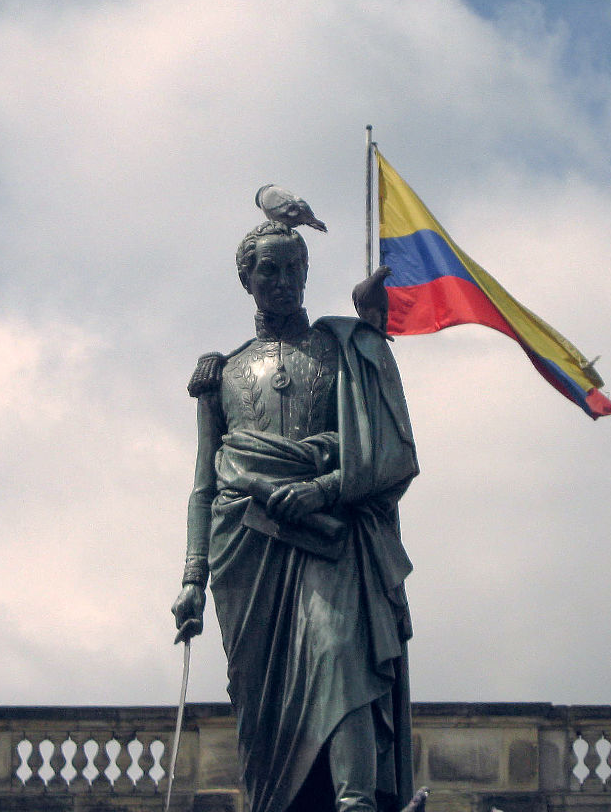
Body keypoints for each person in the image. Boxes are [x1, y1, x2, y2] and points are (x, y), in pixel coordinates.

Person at [172, 218, 419, 812]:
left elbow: (386, 448)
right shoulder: (221, 373)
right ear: (246, 279)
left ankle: (356, 801)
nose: (284, 281)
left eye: (294, 269)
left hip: (329, 535)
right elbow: (204, 483)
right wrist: (191, 577)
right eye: (269, 270)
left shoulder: (342, 348)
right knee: (261, 706)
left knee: (340, 652)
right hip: (247, 551)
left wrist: (325, 488)